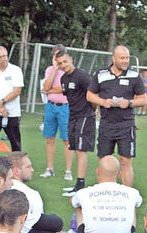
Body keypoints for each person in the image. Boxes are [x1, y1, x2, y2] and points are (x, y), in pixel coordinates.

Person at [86, 45, 147, 187]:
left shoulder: (134, 76)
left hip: (126, 125)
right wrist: (102, 102)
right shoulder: (100, 74)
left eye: (127, 58)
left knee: (125, 160)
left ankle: (127, 195)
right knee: (103, 161)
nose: (125, 61)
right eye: (122, 58)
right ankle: (101, 194)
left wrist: (129, 103)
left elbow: (143, 99)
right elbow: (89, 95)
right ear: (113, 58)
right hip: (106, 124)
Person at [71, 155, 142, 233]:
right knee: (133, 205)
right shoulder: (132, 192)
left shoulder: (84, 193)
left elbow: (73, 202)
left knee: (79, 205)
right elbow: (139, 202)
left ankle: (77, 232)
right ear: (119, 174)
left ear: (98, 171)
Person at [56, 48, 96, 196]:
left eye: (65, 61)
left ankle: (80, 184)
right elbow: (70, 97)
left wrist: (92, 111)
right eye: (60, 63)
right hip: (72, 116)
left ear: (71, 59)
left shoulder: (82, 75)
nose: (63, 65)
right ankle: (77, 185)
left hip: (85, 116)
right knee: (73, 147)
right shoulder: (63, 79)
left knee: (80, 150)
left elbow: (92, 94)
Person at [39, 45, 73, 180]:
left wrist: (51, 90)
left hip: (65, 107)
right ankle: (50, 168)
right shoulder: (49, 70)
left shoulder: (69, 71)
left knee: (66, 140)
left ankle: (68, 171)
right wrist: (54, 69)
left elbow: (65, 89)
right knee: (49, 138)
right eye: (55, 56)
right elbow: (46, 86)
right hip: (51, 106)